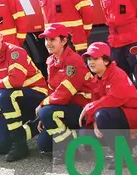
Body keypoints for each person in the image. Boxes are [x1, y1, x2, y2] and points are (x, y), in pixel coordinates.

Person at [0, 23, 49, 162]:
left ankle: (20, 145)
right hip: (12, 102)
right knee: (0, 146)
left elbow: (15, 81)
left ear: (0, 37)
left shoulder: (16, 52)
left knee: (4, 94)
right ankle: (35, 126)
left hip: (36, 96)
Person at [78, 42, 137, 163]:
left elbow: (114, 99)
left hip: (134, 116)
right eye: (89, 59)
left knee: (102, 116)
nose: (90, 62)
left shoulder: (117, 74)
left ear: (106, 61)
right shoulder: (96, 79)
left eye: (95, 58)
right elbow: (98, 103)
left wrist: (90, 109)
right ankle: (128, 140)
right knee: (85, 135)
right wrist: (95, 122)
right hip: (115, 114)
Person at [35, 24, 95, 163]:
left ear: (63, 41)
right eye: (46, 40)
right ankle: (75, 136)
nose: (48, 43)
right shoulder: (51, 60)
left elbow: (64, 94)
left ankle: (71, 149)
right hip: (64, 108)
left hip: (82, 110)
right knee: (44, 145)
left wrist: (43, 106)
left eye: (52, 39)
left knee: (46, 113)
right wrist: (44, 111)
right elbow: (52, 90)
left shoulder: (73, 61)